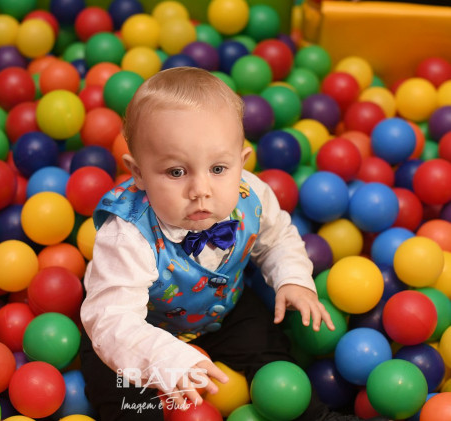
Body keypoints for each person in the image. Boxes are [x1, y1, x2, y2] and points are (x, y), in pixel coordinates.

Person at [80, 67, 387, 421]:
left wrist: (291, 278)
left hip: (225, 311)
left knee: (276, 366)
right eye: (176, 172)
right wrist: (169, 358)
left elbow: (277, 238)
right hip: (139, 332)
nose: (200, 190)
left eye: (218, 169)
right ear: (138, 174)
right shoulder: (126, 234)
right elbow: (112, 321)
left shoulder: (251, 195)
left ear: (241, 164)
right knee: (124, 399)